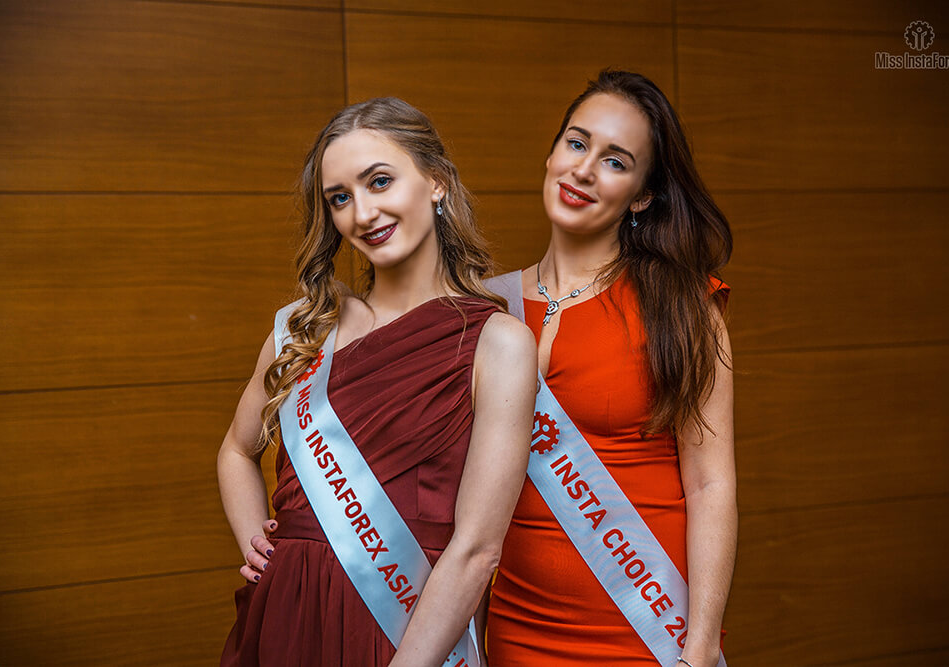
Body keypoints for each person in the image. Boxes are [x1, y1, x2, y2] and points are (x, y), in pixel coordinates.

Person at [217, 97, 537, 667]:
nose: (362, 213)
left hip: (405, 629)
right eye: (340, 198)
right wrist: (258, 544)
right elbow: (237, 451)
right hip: (285, 614)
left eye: (379, 181)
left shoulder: (498, 342)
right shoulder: (305, 328)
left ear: (436, 182)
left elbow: (478, 550)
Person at [484, 70, 736, 667]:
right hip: (516, 627)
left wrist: (700, 646)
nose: (584, 170)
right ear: (551, 154)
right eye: (577, 143)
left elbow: (711, 484)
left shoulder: (683, 307)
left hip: (647, 625)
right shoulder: (485, 308)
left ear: (642, 196)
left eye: (615, 161)